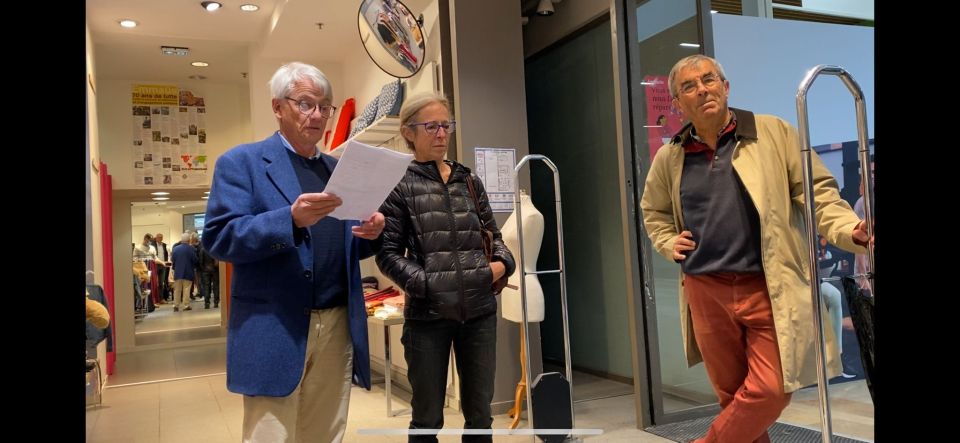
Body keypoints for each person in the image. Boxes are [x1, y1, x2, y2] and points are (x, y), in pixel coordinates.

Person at [639, 55, 871, 443]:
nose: (703, 90)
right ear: (677, 105)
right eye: (689, 87)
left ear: (725, 86)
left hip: (769, 286)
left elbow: (819, 195)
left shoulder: (774, 133)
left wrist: (851, 229)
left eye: (709, 80)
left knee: (768, 390)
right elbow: (653, 211)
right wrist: (666, 240)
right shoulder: (671, 156)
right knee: (733, 399)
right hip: (705, 289)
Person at [201, 61, 385, 443]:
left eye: (324, 106)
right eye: (305, 103)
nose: (316, 115)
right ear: (278, 107)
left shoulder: (337, 169)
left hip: (337, 322)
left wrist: (371, 233)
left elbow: (346, 245)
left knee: (326, 430)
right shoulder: (242, 163)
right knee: (271, 433)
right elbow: (219, 238)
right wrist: (289, 220)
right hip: (275, 323)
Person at [376, 91, 516, 442]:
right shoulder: (399, 185)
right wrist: (428, 284)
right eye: (431, 126)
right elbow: (387, 253)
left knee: (481, 417)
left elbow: (493, 236)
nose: (441, 134)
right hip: (428, 318)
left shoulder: (469, 181)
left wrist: (501, 264)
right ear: (409, 132)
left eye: (446, 125)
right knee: (426, 419)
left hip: (480, 314)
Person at [171, 232, 197, 312]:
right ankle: (186, 305)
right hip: (188, 272)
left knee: (177, 290)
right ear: (189, 240)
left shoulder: (175, 249)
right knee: (186, 289)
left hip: (178, 272)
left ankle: (176, 305)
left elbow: (173, 260)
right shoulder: (191, 248)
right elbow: (195, 260)